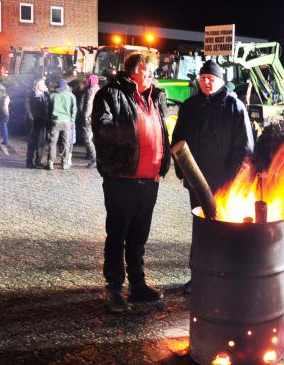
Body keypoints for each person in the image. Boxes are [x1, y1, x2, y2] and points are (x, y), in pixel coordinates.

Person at [92, 51, 172, 313]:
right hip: (122, 179)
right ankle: (114, 287)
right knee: (117, 234)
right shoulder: (110, 94)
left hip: (150, 180)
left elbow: (162, 131)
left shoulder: (156, 97)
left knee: (139, 236)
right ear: (132, 71)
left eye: (152, 71)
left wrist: (163, 164)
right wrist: (131, 133)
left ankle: (138, 284)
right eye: (147, 70)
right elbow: (102, 129)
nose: (152, 74)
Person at [172, 60, 254, 294]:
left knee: (223, 228)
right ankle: (198, 275)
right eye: (203, 77)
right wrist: (182, 171)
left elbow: (244, 147)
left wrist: (230, 179)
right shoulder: (189, 106)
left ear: (220, 81)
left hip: (224, 183)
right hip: (196, 182)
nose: (207, 81)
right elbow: (178, 139)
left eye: (211, 78)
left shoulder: (234, 107)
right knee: (201, 229)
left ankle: (225, 274)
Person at [46, 78, 76, 170]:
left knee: (52, 143)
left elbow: (48, 109)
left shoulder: (52, 95)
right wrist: (72, 120)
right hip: (67, 122)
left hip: (55, 121)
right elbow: (74, 110)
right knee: (65, 143)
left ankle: (50, 162)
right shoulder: (71, 96)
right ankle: (64, 163)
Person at [25, 77, 50, 168]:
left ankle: (38, 161)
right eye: (42, 84)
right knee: (32, 141)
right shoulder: (32, 94)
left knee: (40, 142)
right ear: (37, 85)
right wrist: (30, 117)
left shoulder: (44, 95)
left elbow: (48, 105)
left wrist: (47, 93)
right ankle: (29, 161)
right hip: (34, 120)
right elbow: (27, 107)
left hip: (42, 120)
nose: (45, 86)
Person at [81, 75, 99, 168]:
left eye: (88, 80)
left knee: (87, 138)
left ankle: (94, 159)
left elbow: (89, 104)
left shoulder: (91, 91)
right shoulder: (98, 89)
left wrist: (85, 117)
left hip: (89, 118)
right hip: (96, 118)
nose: (86, 81)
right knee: (93, 139)